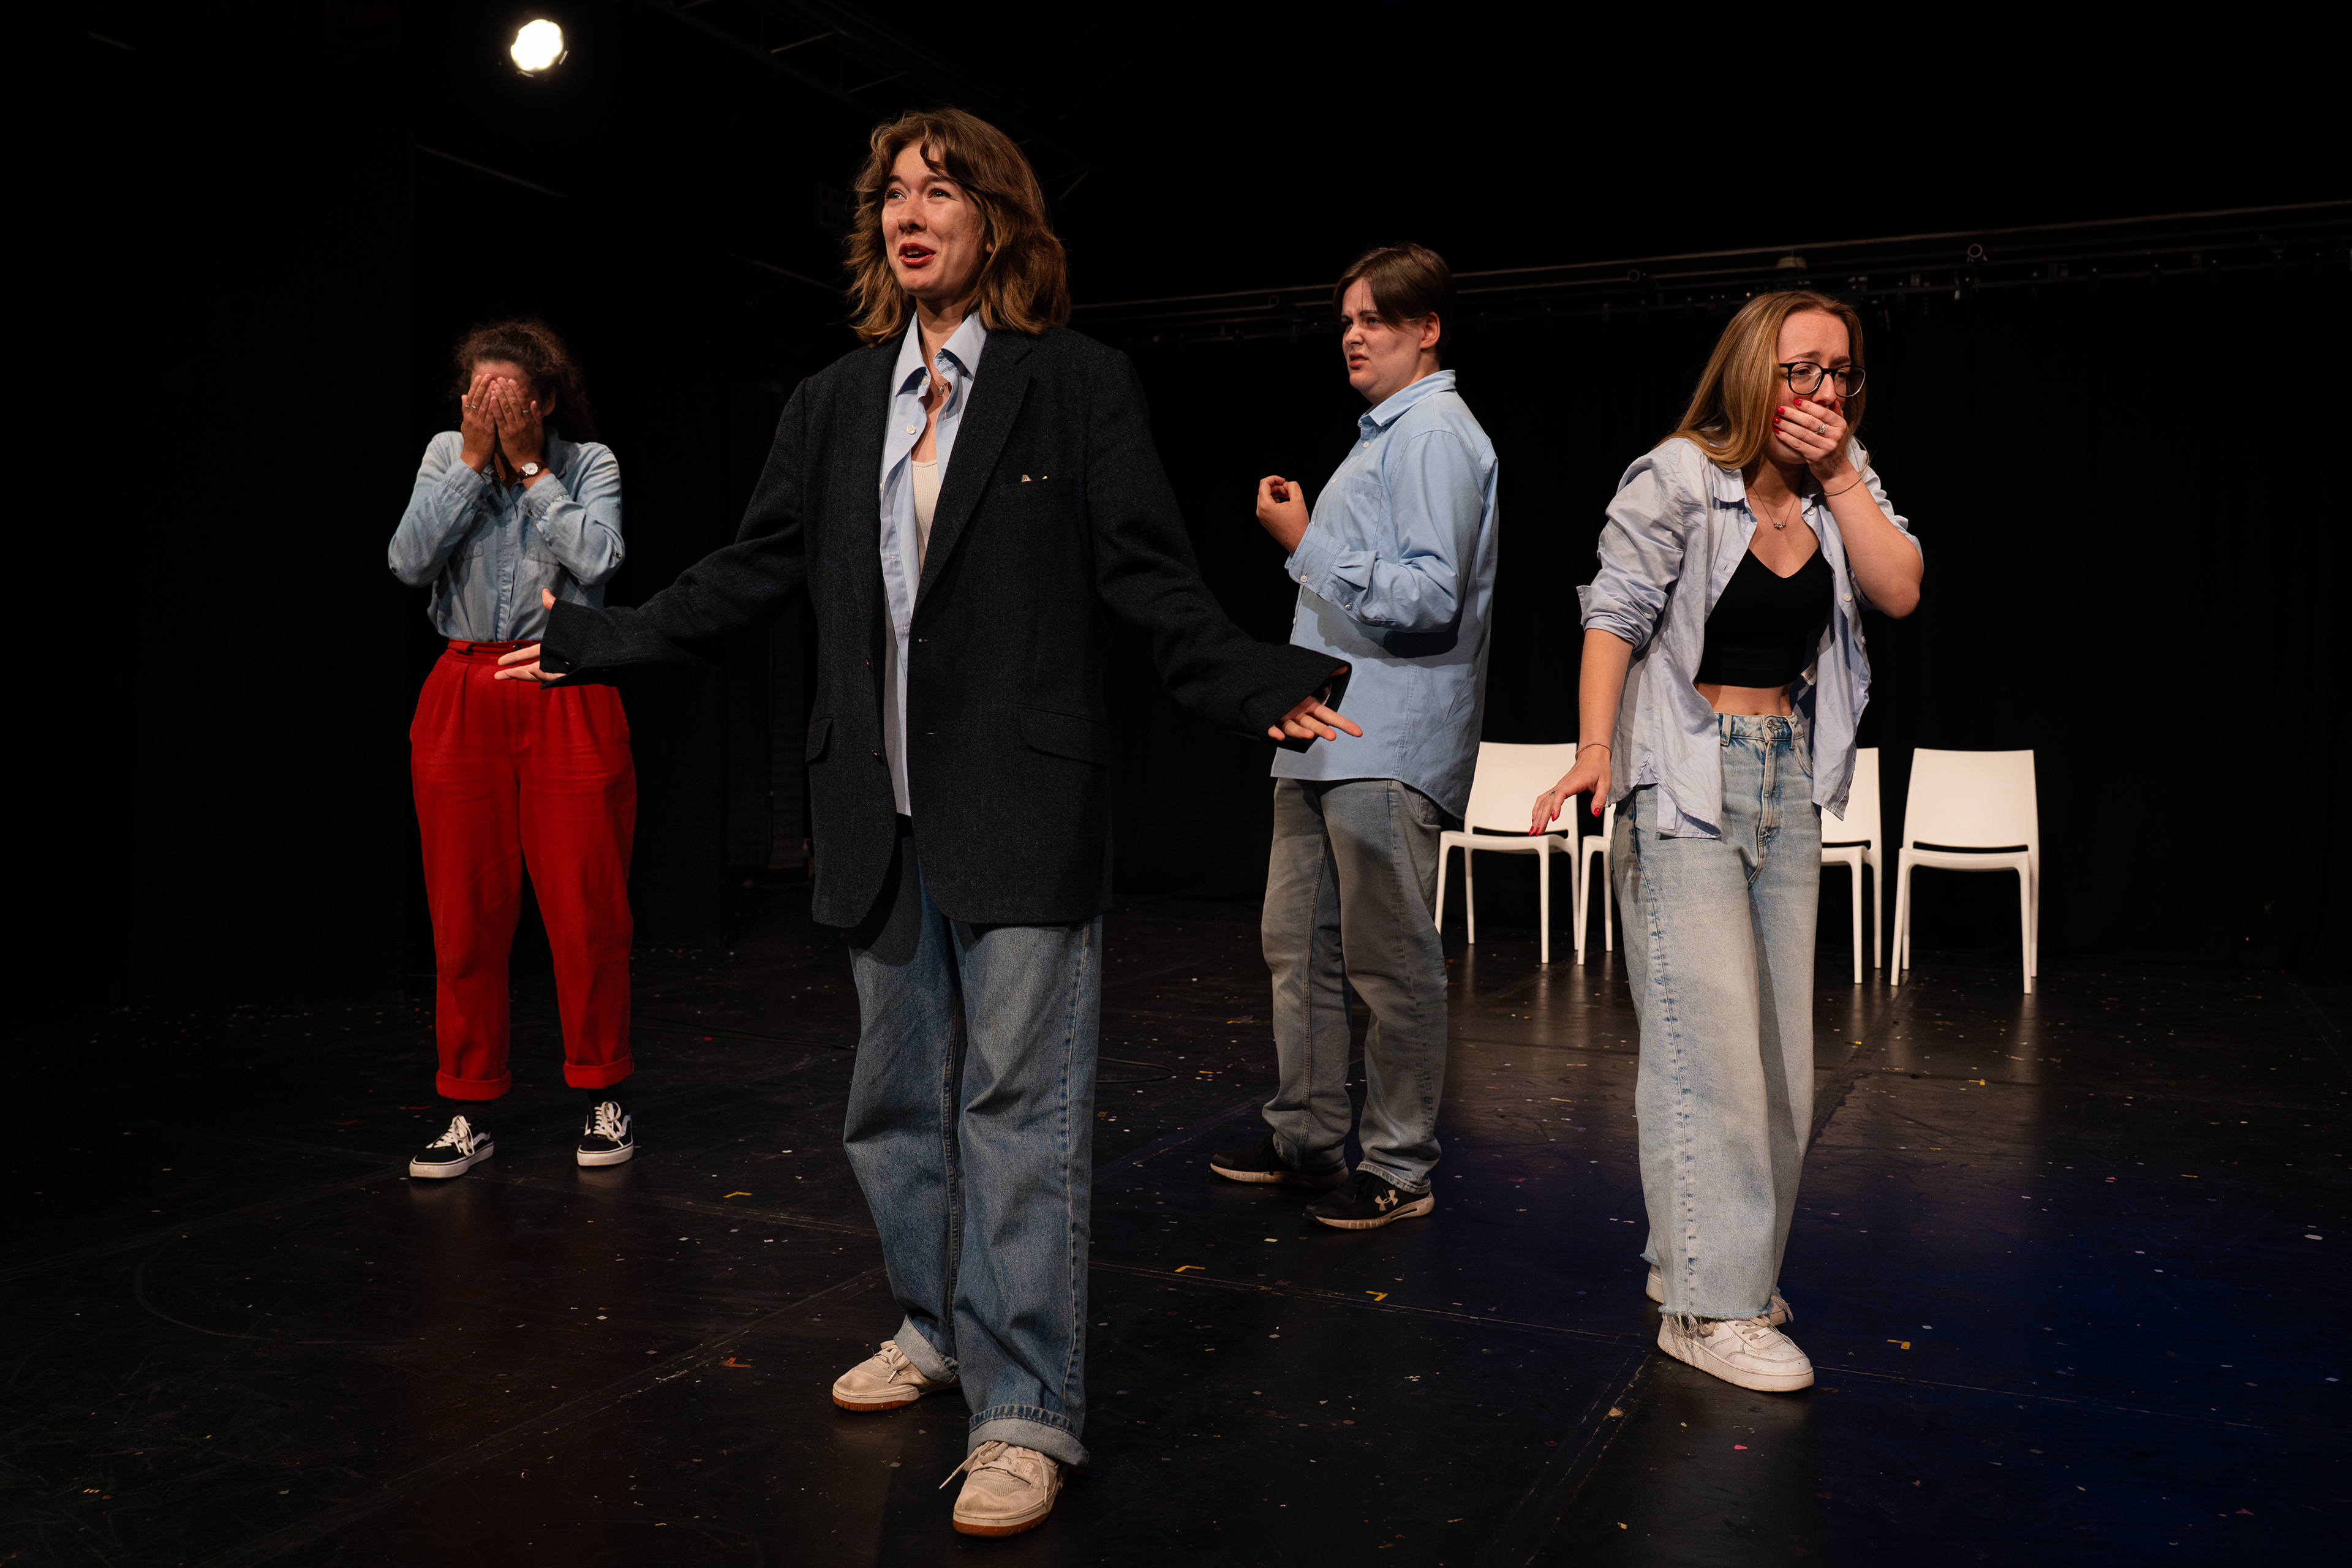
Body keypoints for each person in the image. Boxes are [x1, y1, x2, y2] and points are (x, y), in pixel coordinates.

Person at [490, 108, 1356, 1538]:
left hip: (1024, 803)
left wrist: (1256, 678)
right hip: (874, 805)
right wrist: (603, 635)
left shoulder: (1074, 385)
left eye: (940, 191)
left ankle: (1027, 1410)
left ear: (995, 220)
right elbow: (754, 569)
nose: (909, 212)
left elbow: (1148, 579)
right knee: (892, 1111)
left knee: (1017, 1116)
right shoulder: (836, 402)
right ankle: (937, 1325)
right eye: (893, 192)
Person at [1529, 290, 1922, 1393]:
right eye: (1803, 369)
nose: (1825, 390)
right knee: (1711, 1056)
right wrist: (1594, 748)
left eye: (1841, 371)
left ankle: (1698, 1265)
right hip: (1684, 779)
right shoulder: (1677, 476)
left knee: (1780, 1061)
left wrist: (1842, 475)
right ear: (1755, 370)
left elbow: (1899, 589)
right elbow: (1612, 617)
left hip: (1787, 776)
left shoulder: (1842, 482)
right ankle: (1712, 1308)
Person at [1208, 244, 1499, 1229]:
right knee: (1298, 947)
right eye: (1346, 321)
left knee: (1389, 960)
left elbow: (1429, 597)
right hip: (1323, 733)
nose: (1354, 337)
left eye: (1375, 319)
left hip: (1389, 737)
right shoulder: (1385, 437)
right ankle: (1305, 1140)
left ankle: (1401, 1165)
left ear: (1428, 329)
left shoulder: (1436, 435)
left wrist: (1304, 543)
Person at [387, 320, 637, 1180]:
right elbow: (407, 562)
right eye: (479, 398)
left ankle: (604, 1094)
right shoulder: (444, 456)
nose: (493, 414)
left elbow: (598, 560)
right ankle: (467, 1107)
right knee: (464, 916)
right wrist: (469, 463)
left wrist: (531, 472)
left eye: (511, 400)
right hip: (464, 689)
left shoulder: (587, 464)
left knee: (586, 909)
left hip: (564, 684)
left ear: (545, 403)